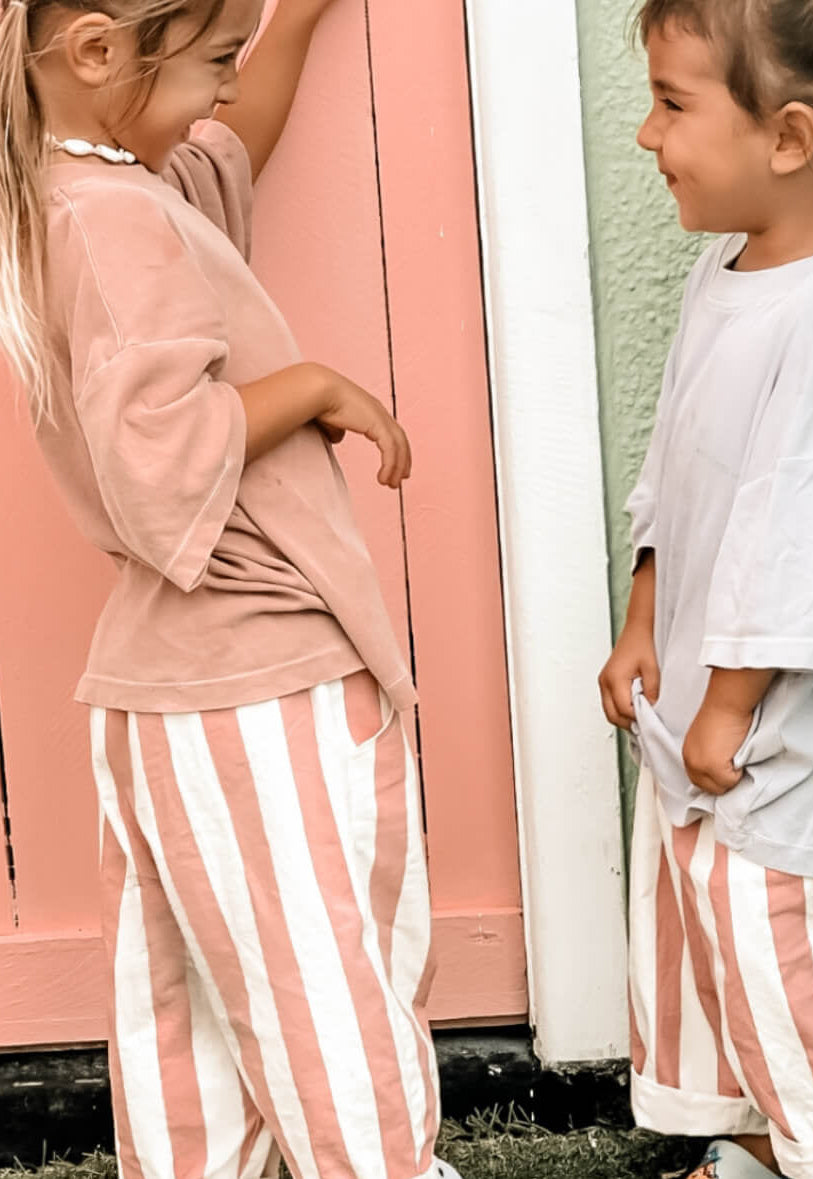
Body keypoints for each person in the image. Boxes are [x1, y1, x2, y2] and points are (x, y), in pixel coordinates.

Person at [0, 0, 464, 1174]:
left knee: (197, 1026)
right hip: (247, 689)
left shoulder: (100, 189)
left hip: (180, 701)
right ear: (99, 52)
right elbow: (160, 463)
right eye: (208, 60)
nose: (221, 89)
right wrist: (311, 386)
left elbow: (230, 138)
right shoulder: (112, 223)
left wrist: (285, 27)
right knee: (326, 999)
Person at [598, 1, 813, 1177]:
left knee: (772, 932)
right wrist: (644, 619)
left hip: (783, 725)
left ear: (789, 138)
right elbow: (677, 462)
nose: (647, 135)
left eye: (672, 105)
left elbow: (811, 537)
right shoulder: (727, 271)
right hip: (709, 708)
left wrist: (732, 702)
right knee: (705, 936)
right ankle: (751, 1138)